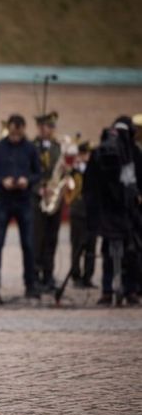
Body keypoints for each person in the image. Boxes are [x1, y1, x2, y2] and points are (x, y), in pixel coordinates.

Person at [0, 114, 41, 298]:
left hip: (24, 200)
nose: (15, 136)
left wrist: (27, 180)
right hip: (3, 201)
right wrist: (2, 181)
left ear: (23, 129)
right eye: (13, 132)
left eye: (18, 133)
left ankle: (30, 286)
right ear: (9, 129)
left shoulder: (31, 148)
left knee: (28, 244)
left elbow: (39, 173)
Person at [84, 117, 141, 306]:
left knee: (130, 252)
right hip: (109, 211)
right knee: (110, 252)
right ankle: (108, 290)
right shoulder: (101, 153)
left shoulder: (134, 153)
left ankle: (129, 289)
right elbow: (90, 184)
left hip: (127, 211)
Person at [32, 112, 63, 292]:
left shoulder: (58, 147)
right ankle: (35, 275)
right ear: (39, 127)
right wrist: (39, 188)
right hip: (38, 199)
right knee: (38, 238)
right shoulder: (32, 147)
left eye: (52, 127)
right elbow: (30, 170)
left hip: (55, 197)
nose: (49, 130)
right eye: (46, 126)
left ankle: (49, 275)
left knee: (52, 238)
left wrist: (57, 188)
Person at [66, 141, 96, 288]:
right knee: (77, 245)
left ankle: (88, 276)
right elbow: (69, 188)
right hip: (78, 211)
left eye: (88, 154)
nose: (87, 157)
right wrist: (74, 168)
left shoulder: (96, 170)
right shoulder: (74, 171)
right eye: (84, 154)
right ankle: (76, 275)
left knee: (91, 246)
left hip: (92, 212)